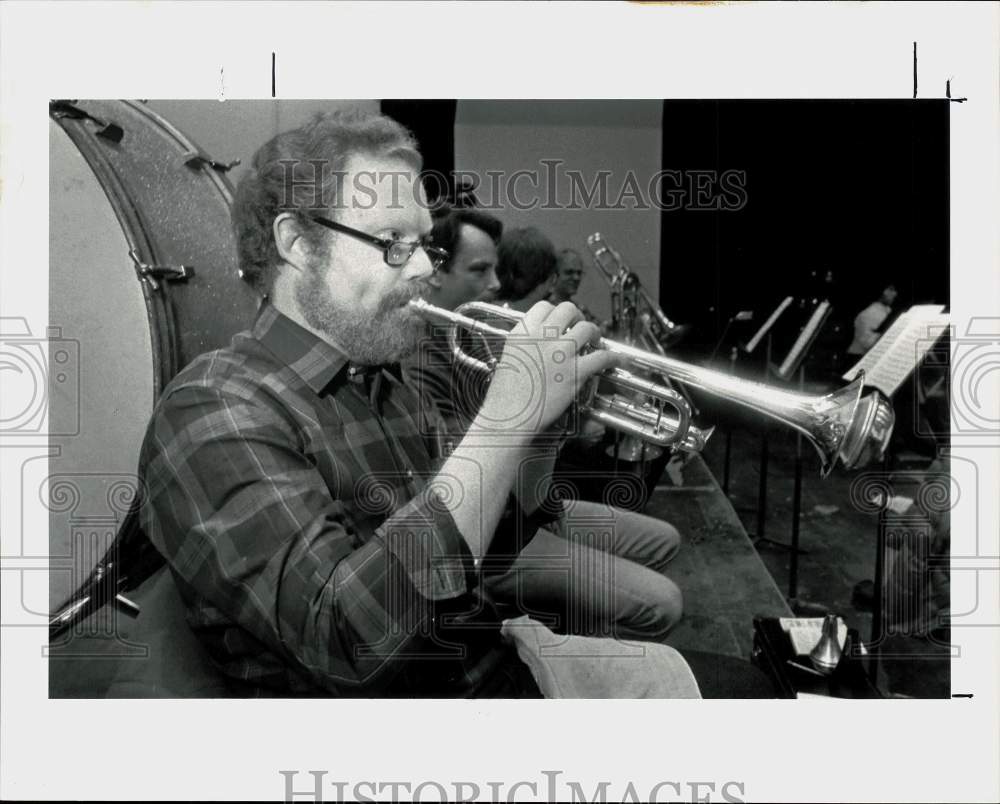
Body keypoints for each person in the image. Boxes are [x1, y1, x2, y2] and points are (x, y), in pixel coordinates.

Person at [138, 109, 772, 698]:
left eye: (424, 246)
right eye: (392, 242)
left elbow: (494, 549)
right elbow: (346, 640)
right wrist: (506, 419)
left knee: (753, 687)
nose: (420, 269)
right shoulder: (213, 408)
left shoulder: (385, 381)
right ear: (298, 245)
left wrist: (545, 427)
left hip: (491, 658)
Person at [407, 217, 684, 641]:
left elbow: (534, 485)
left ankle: (577, 627)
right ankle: (570, 665)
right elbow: (477, 490)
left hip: (529, 508)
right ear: (436, 272)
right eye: (480, 270)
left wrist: (563, 410)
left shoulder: (478, 339)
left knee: (665, 540)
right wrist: (540, 413)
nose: (498, 284)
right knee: (663, 604)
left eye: (496, 268)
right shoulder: (420, 366)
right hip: (494, 542)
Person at [548, 247, 599, 324]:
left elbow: (603, 331)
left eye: (579, 273)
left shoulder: (580, 309)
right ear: (554, 275)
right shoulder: (545, 308)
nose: (576, 278)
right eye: (569, 272)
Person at [847, 282, 898, 358]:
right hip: (857, 358)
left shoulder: (887, 310)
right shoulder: (869, 313)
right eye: (890, 289)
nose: (895, 294)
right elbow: (868, 344)